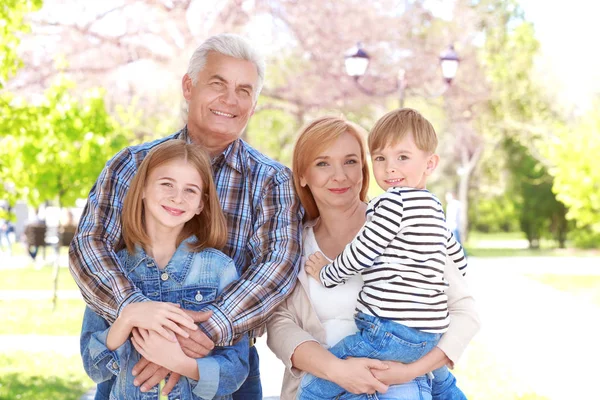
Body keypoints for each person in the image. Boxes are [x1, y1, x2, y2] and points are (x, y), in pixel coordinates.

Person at [69, 33, 302, 399]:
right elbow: (89, 245)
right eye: (218, 84)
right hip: (130, 367)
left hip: (222, 368)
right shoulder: (131, 165)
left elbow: (279, 266)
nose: (231, 99)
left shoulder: (272, 180)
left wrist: (196, 339)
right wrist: (134, 310)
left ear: (254, 105)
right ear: (188, 86)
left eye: (245, 90)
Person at [266, 116, 480, 399]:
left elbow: (466, 314)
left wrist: (410, 370)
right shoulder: (292, 243)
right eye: (322, 163)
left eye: (351, 161)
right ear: (303, 175)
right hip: (325, 384)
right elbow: (280, 325)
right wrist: (336, 370)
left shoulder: (409, 227)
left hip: (399, 384)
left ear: (364, 169)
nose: (339, 175)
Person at [80, 140, 249, 399]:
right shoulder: (113, 269)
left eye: (190, 190)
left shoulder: (219, 269)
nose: (177, 197)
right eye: (167, 184)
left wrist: (180, 362)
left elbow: (236, 369)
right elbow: (95, 369)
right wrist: (127, 317)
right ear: (143, 188)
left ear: (201, 205)